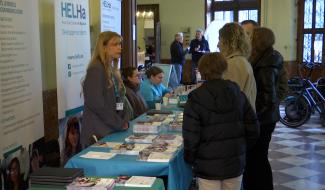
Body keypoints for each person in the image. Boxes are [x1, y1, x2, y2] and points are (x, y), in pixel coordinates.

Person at [183, 53, 259, 190]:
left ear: (201, 71)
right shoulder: (238, 94)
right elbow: (253, 128)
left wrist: (190, 159)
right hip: (234, 161)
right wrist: (241, 148)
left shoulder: (196, 98)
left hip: (207, 165)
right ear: (224, 68)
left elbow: (191, 137)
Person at [243, 27, 284, 190]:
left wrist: (252, 117)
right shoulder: (267, 57)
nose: (249, 39)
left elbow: (268, 97)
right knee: (257, 158)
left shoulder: (267, 62)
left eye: (251, 36)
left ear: (259, 40)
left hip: (263, 119)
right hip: (267, 117)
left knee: (257, 159)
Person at [81, 31, 129, 147]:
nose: (119, 48)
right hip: (98, 131)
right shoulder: (96, 69)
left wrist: (121, 117)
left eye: (120, 44)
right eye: (115, 44)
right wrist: (118, 123)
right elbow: (96, 104)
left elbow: (118, 99)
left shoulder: (111, 69)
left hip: (111, 128)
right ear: (104, 47)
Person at [241, 20, 289, 101]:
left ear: (258, 35)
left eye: (248, 34)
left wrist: (270, 105)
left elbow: (283, 88)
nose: (245, 38)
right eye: (242, 35)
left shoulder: (271, 58)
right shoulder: (243, 56)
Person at [218, 22, 256, 109]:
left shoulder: (234, 64)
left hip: (237, 120)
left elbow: (230, 101)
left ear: (228, 41)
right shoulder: (239, 60)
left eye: (219, 39)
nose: (218, 44)